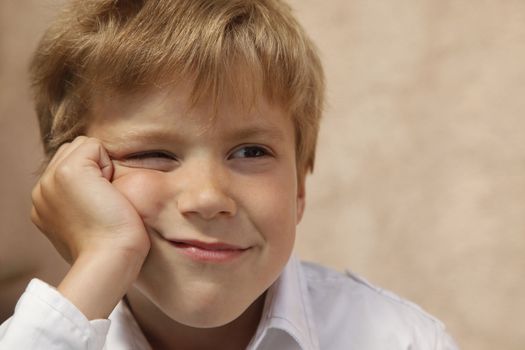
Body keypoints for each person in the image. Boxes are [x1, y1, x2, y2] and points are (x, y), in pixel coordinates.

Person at [0, 0, 458, 349]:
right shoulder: (44, 332)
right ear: (72, 180)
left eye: (251, 151)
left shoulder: (402, 339)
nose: (207, 196)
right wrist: (103, 259)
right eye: (155, 153)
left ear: (299, 185)